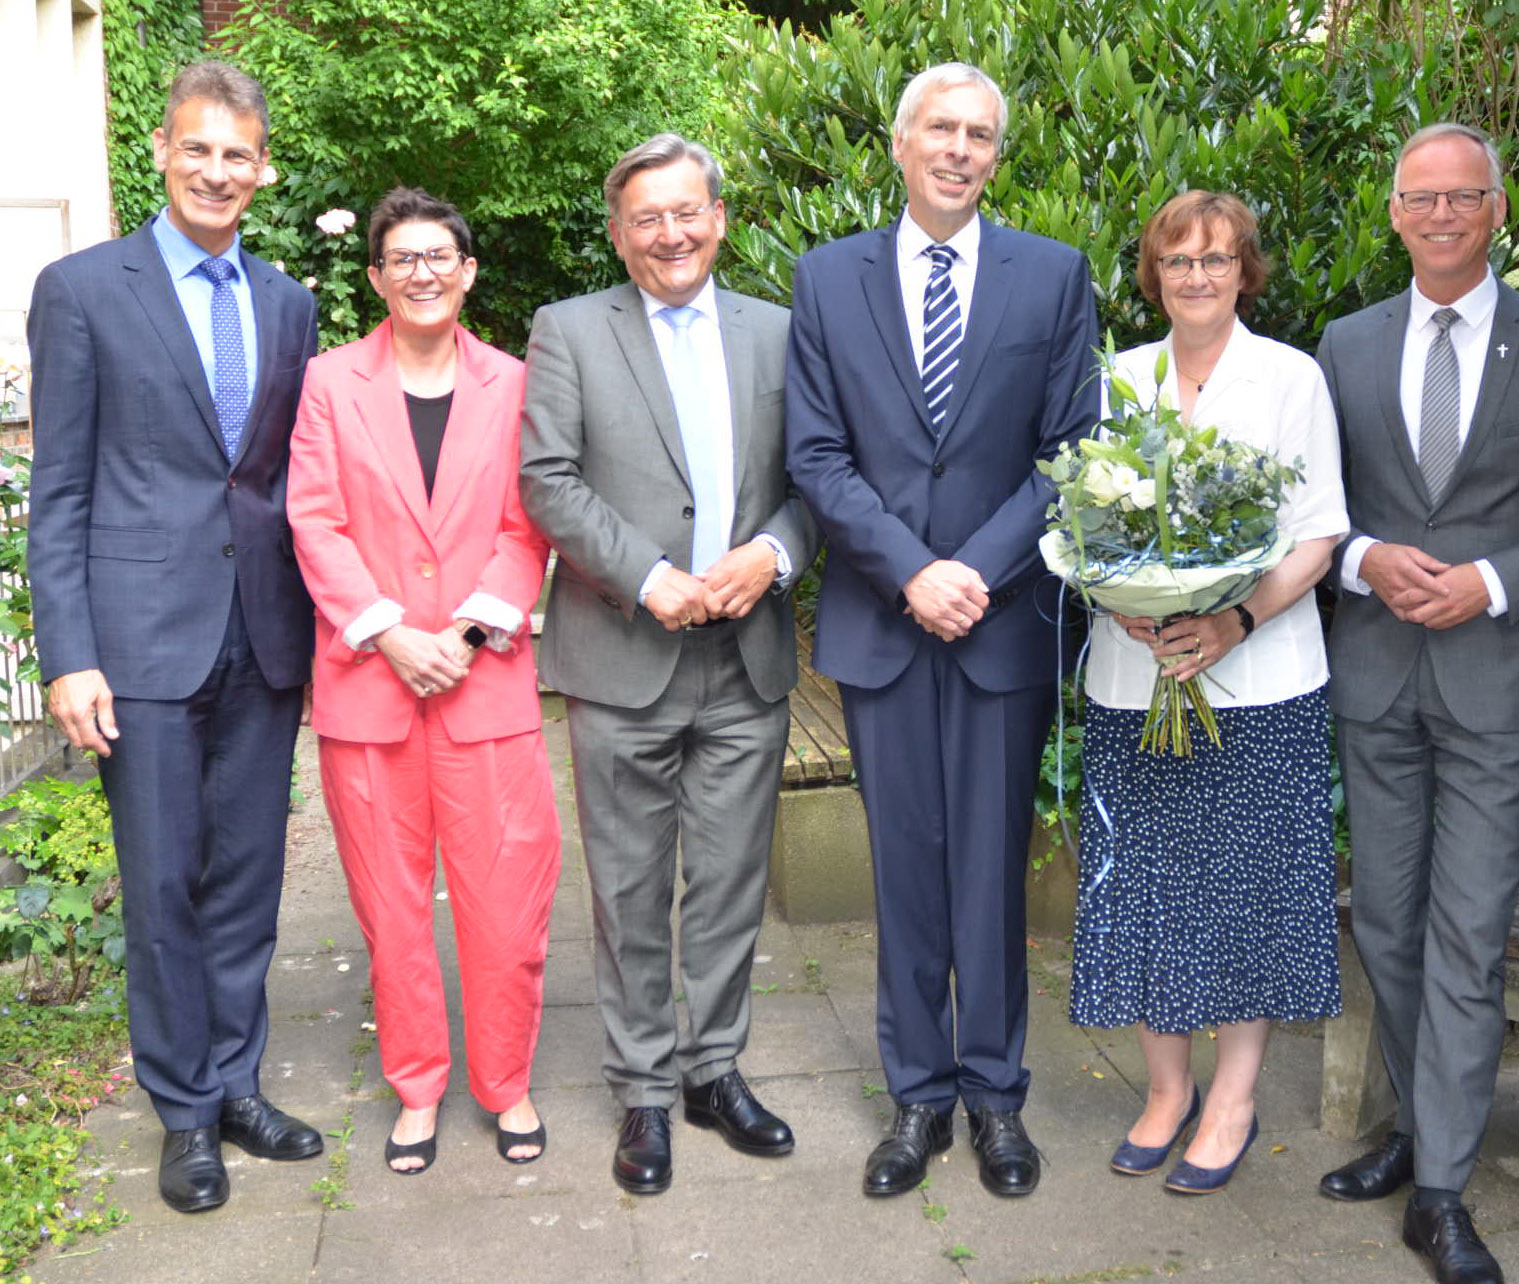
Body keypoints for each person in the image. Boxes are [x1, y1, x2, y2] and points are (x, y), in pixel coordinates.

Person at [785, 62, 1098, 1199]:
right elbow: (816, 455)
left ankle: (995, 1101)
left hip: (1000, 625)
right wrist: (914, 570)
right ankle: (915, 1099)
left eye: (980, 134)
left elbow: (1069, 452)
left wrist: (974, 569)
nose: (959, 149)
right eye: (940, 129)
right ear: (901, 142)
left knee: (989, 878)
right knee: (904, 871)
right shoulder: (824, 281)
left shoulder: (1052, 277)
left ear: (994, 156)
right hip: (882, 622)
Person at [1315, 121, 1519, 1284]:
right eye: (1416, 197)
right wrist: (1363, 561)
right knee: (1385, 918)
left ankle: (1439, 1186)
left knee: (1466, 930)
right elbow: (1312, 509)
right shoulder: (1343, 344)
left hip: (1494, 678)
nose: (1438, 214)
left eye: (1461, 196)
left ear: (1497, 208)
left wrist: (1491, 582)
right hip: (1376, 672)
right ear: (1392, 211)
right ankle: (1415, 1127)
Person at [25, 60, 323, 1214]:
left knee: (248, 879)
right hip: (139, 644)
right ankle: (185, 1113)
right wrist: (68, 652)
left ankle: (237, 1079)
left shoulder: (288, 302)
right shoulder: (84, 288)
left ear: (264, 168)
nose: (216, 171)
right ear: (160, 150)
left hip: (264, 634)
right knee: (162, 885)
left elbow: (283, 480)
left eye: (237, 154)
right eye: (197, 149)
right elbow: (58, 491)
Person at [519, 134, 816, 1195]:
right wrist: (648, 576)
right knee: (631, 888)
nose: (670, 233)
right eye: (645, 217)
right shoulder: (567, 331)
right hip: (623, 653)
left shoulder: (780, 333)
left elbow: (816, 475)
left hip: (745, 658)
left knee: (731, 882)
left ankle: (714, 1068)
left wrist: (775, 553)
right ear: (617, 232)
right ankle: (643, 1087)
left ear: (719, 218)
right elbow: (546, 480)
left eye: (686, 212)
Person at [1069, 192, 1348, 1194]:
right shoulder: (1116, 380)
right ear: (1152, 272)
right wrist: (1126, 604)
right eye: (1178, 261)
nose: (1197, 277)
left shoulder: (1291, 379)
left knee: (1249, 896)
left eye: (1218, 260)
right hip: (1129, 672)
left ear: (1245, 271)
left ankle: (1231, 1098)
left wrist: (1231, 619)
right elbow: (1081, 519)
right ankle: (1162, 1090)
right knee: (1144, 887)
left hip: (1262, 679)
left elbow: (1317, 532)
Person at [287, 188, 560, 1175]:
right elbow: (314, 520)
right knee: (391, 910)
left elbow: (526, 523)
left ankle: (506, 1083)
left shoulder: (516, 383)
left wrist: (472, 629)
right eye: (401, 258)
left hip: (483, 682)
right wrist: (392, 633)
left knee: (504, 898)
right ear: (375, 277)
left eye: (439, 255)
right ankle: (416, 1086)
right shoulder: (327, 384)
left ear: (469, 270)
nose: (422, 272)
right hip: (372, 684)